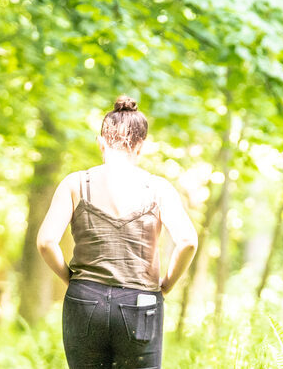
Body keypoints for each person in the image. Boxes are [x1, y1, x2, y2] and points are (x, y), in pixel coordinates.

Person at [34, 96, 201, 369]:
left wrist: (73, 280)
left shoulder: (76, 183)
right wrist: (167, 284)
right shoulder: (158, 189)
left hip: (84, 299)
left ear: (101, 142)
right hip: (141, 303)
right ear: (140, 147)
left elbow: (45, 242)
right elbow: (188, 242)